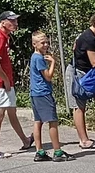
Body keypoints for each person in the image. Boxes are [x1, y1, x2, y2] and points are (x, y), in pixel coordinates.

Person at [0, 11, 32, 158]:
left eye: (16, 21)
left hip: (5, 81)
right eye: (12, 21)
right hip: (1, 82)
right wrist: (5, 80)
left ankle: (25, 140)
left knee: (12, 111)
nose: (15, 23)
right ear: (3, 22)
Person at [66, 12, 95, 149]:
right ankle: (84, 140)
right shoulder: (89, 38)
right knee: (79, 107)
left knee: (80, 106)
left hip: (80, 71)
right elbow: (94, 63)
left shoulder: (87, 35)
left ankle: (84, 138)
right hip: (78, 74)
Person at [29, 32, 75, 162]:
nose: (46, 45)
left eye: (46, 42)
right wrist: (53, 62)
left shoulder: (34, 57)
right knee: (53, 121)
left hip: (35, 93)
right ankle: (57, 151)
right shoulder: (39, 58)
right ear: (34, 44)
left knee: (38, 121)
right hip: (43, 93)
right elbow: (48, 76)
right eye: (42, 43)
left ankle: (40, 151)